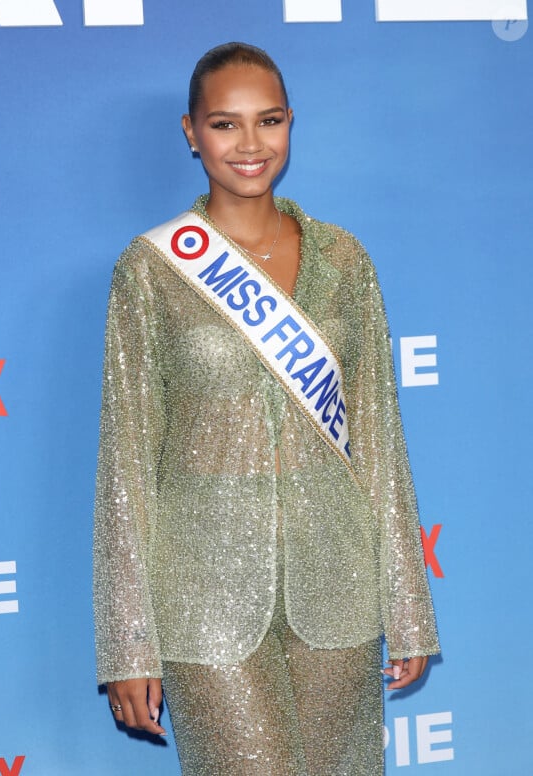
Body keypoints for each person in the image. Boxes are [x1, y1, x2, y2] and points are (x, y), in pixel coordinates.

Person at [93, 42, 440, 775]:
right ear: (191, 132)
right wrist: (128, 640)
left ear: (290, 124)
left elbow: (379, 437)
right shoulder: (152, 269)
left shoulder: (345, 261)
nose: (251, 144)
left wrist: (408, 609)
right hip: (203, 593)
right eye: (225, 124)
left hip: (338, 584)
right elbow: (124, 461)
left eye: (269, 121)